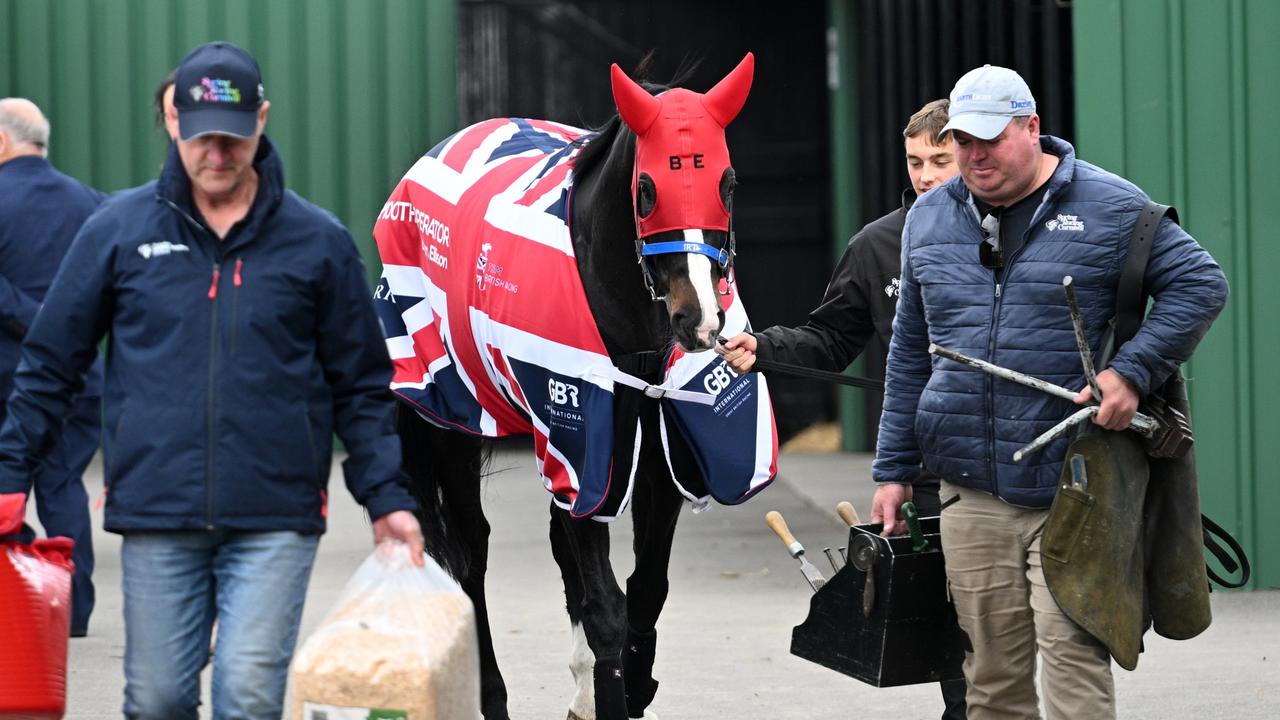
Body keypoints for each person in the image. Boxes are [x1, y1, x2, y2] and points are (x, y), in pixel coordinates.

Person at [0, 41, 424, 719]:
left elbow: (360, 385)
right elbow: (52, 362)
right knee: (159, 698)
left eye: (232, 138)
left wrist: (387, 498)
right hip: (157, 508)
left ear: (262, 118)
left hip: (275, 513)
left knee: (247, 694)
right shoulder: (120, 231)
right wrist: (9, 474)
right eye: (202, 137)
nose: (217, 155)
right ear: (174, 123)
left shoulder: (317, 242)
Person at [868, 65, 1228, 719]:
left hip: (1077, 484)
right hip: (969, 491)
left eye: (989, 140)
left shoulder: (1111, 208)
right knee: (993, 679)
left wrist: (1131, 373)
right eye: (963, 142)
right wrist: (892, 470)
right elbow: (907, 354)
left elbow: (1201, 284)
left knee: (1072, 657)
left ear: (1031, 129)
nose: (974, 156)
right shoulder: (928, 220)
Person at [718, 99, 967, 720]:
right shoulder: (878, 246)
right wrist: (765, 347)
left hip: (1020, 461)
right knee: (960, 632)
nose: (927, 175)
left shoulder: (1012, 231)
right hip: (928, 465)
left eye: (941, 160)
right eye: (915, 162)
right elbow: (829, 340)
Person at [0, 98, 104, 638]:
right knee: (63, 487)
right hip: (80, 376)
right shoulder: (90, 203)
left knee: (6, 486)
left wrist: (39, 325)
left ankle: (17, 600)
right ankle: (73, 610)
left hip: (9, 376)